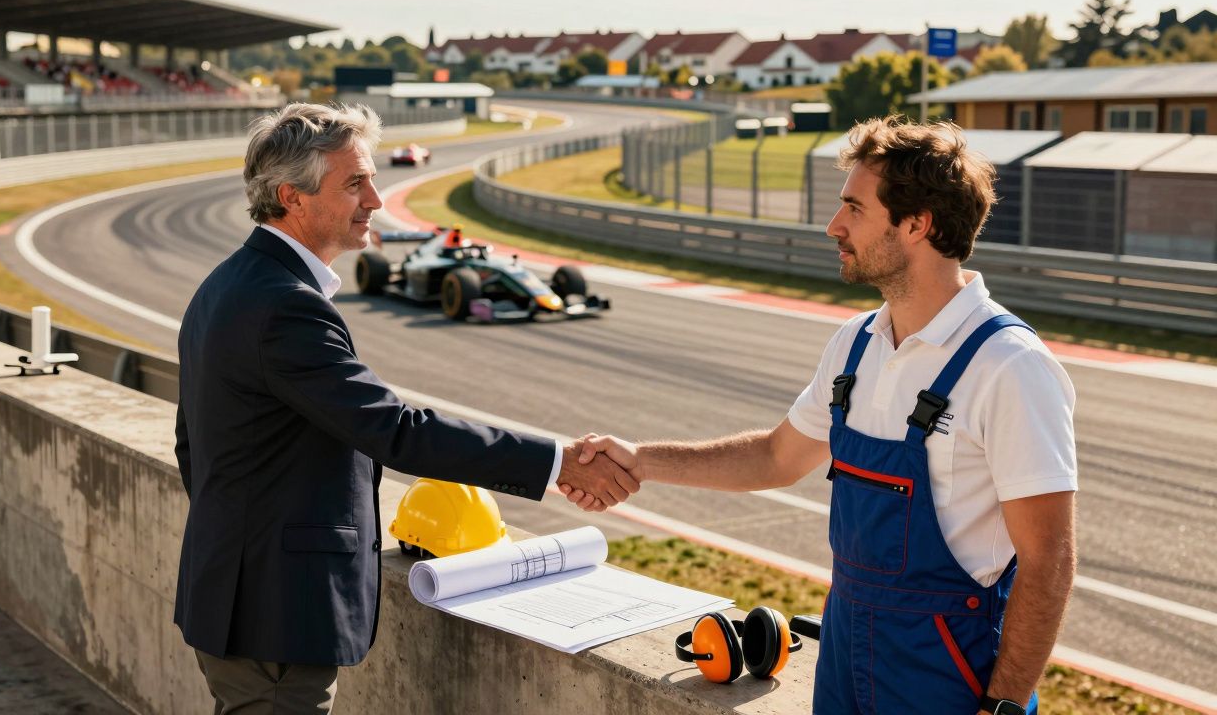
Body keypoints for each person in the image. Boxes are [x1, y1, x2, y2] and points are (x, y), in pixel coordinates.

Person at [570, 117, 1077, 715]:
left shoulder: (1010, 367)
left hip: (945, 683)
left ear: (917, 224)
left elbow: (1050, 560)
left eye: (854, 209)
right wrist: (642, 460)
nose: (834, 226)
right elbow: (775, 457)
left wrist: (1005, 708)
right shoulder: (855, 344)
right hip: (844, 662)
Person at [174, 102, 639, 713]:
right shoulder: (286, 305)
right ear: (294, 197)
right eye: (354, 183)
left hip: (241, 599)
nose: (374, 199)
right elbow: (394, 430)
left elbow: (193, 448)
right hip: (274, 615)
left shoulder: (228, 283)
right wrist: (557, 463)